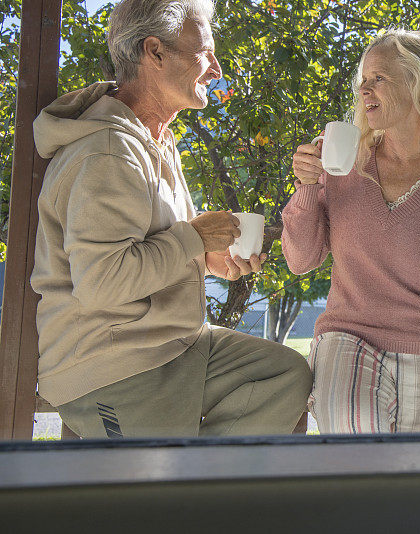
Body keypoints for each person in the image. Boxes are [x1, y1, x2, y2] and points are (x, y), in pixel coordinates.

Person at [30, 0, 311, 438]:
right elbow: (101, 283)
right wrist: (193, 240)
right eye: (205, 52)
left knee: (285, 374)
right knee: (154, 497)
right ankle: (187, 490)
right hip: (112, 363)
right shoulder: (106, 152)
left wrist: (207, 258)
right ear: (155, 52)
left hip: (175, 344)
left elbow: (161, 246)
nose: (217, 69)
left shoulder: (156, 139)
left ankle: (194, 484)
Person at [283, 29, 420, 434]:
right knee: (355, 427)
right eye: (363, 79)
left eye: (379, 78)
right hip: (349, 335)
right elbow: (301, 261)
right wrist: (307, 188)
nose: (364, 89)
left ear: (419, 82)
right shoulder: (342, 160)